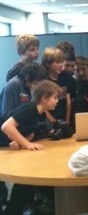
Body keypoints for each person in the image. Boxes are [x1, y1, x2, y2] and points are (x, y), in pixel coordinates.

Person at [1, 80, 62, 215]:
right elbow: (6, 126)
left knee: (25, 184)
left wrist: (22, 141)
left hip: (7, 146)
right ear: (44, 98)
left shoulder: (40, 114)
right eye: (54, 97)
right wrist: (27, 144)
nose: (57, 101)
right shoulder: (30, 108)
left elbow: (29, 131)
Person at [41, 47, 72, 125]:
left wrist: (67, 120)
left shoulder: (65, 77)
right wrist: (52, 120)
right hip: (48, 119)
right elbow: (41, 104)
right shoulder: (43, 80)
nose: (61, 65)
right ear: (48, 64)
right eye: (57, 62)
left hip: (63, 117)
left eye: (61, 62)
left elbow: (68, 101)